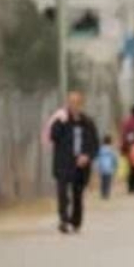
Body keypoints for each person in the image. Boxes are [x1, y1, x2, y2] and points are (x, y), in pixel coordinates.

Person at [49, 91, 99, 233]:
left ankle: (75, 221)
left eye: (77, 102)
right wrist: (59, 122)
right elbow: (53, 137)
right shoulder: (61, 120)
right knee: (62, 193)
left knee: (77, 194)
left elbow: (94, 144)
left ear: (81, 104)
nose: (74, 105)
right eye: (71, 102)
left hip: (81, 165)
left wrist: (87, 156)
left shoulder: (88, 123)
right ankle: (63, 220)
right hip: (64, 163)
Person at [96, 135, 118, 199]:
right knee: (108, 182)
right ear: (110, 142)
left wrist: (97, 167)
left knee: (103, 182)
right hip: (109, 168)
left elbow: (98, 159)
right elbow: (114, 159)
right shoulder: (111, 150)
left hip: (102, 168)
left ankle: (103, 193)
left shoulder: (100, 149)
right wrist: (115, 166)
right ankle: (107, 194)